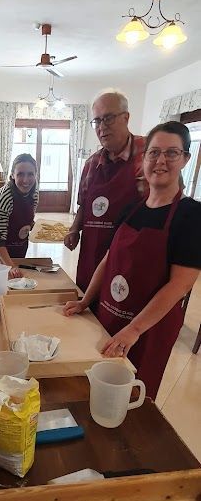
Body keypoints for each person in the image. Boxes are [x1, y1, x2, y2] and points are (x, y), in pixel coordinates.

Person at [64, 121, 201, 400]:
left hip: (147, 331)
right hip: (108, 315)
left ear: (186, 159)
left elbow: (180, 285)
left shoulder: (191, 216)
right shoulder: (131, 209)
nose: (161, 161)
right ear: (144, 158)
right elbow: (107, 260)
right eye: (153, 152)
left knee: (131, 396)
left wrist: (134, 330)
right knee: (92, 387)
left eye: (171, 153)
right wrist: (85, 300)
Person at [65, 90, 145, 294]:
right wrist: (74, 229)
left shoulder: (147, 155)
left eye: (108, 118)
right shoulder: (92, 163)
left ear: (126, 118)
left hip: (130, 254)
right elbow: (85, 203)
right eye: (97, 121)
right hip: (91, 252)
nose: (101, 127)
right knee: (86, 306)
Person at [0, 153, 38, 278]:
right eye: (20, 174)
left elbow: (27, 218)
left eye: (30, 174)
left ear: (35, 175)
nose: (26, 180)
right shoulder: (4, 197)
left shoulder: (34, 192)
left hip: (18, 244)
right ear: (12, 175)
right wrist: (11, 266)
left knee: (16, 285)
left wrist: (33, 225)